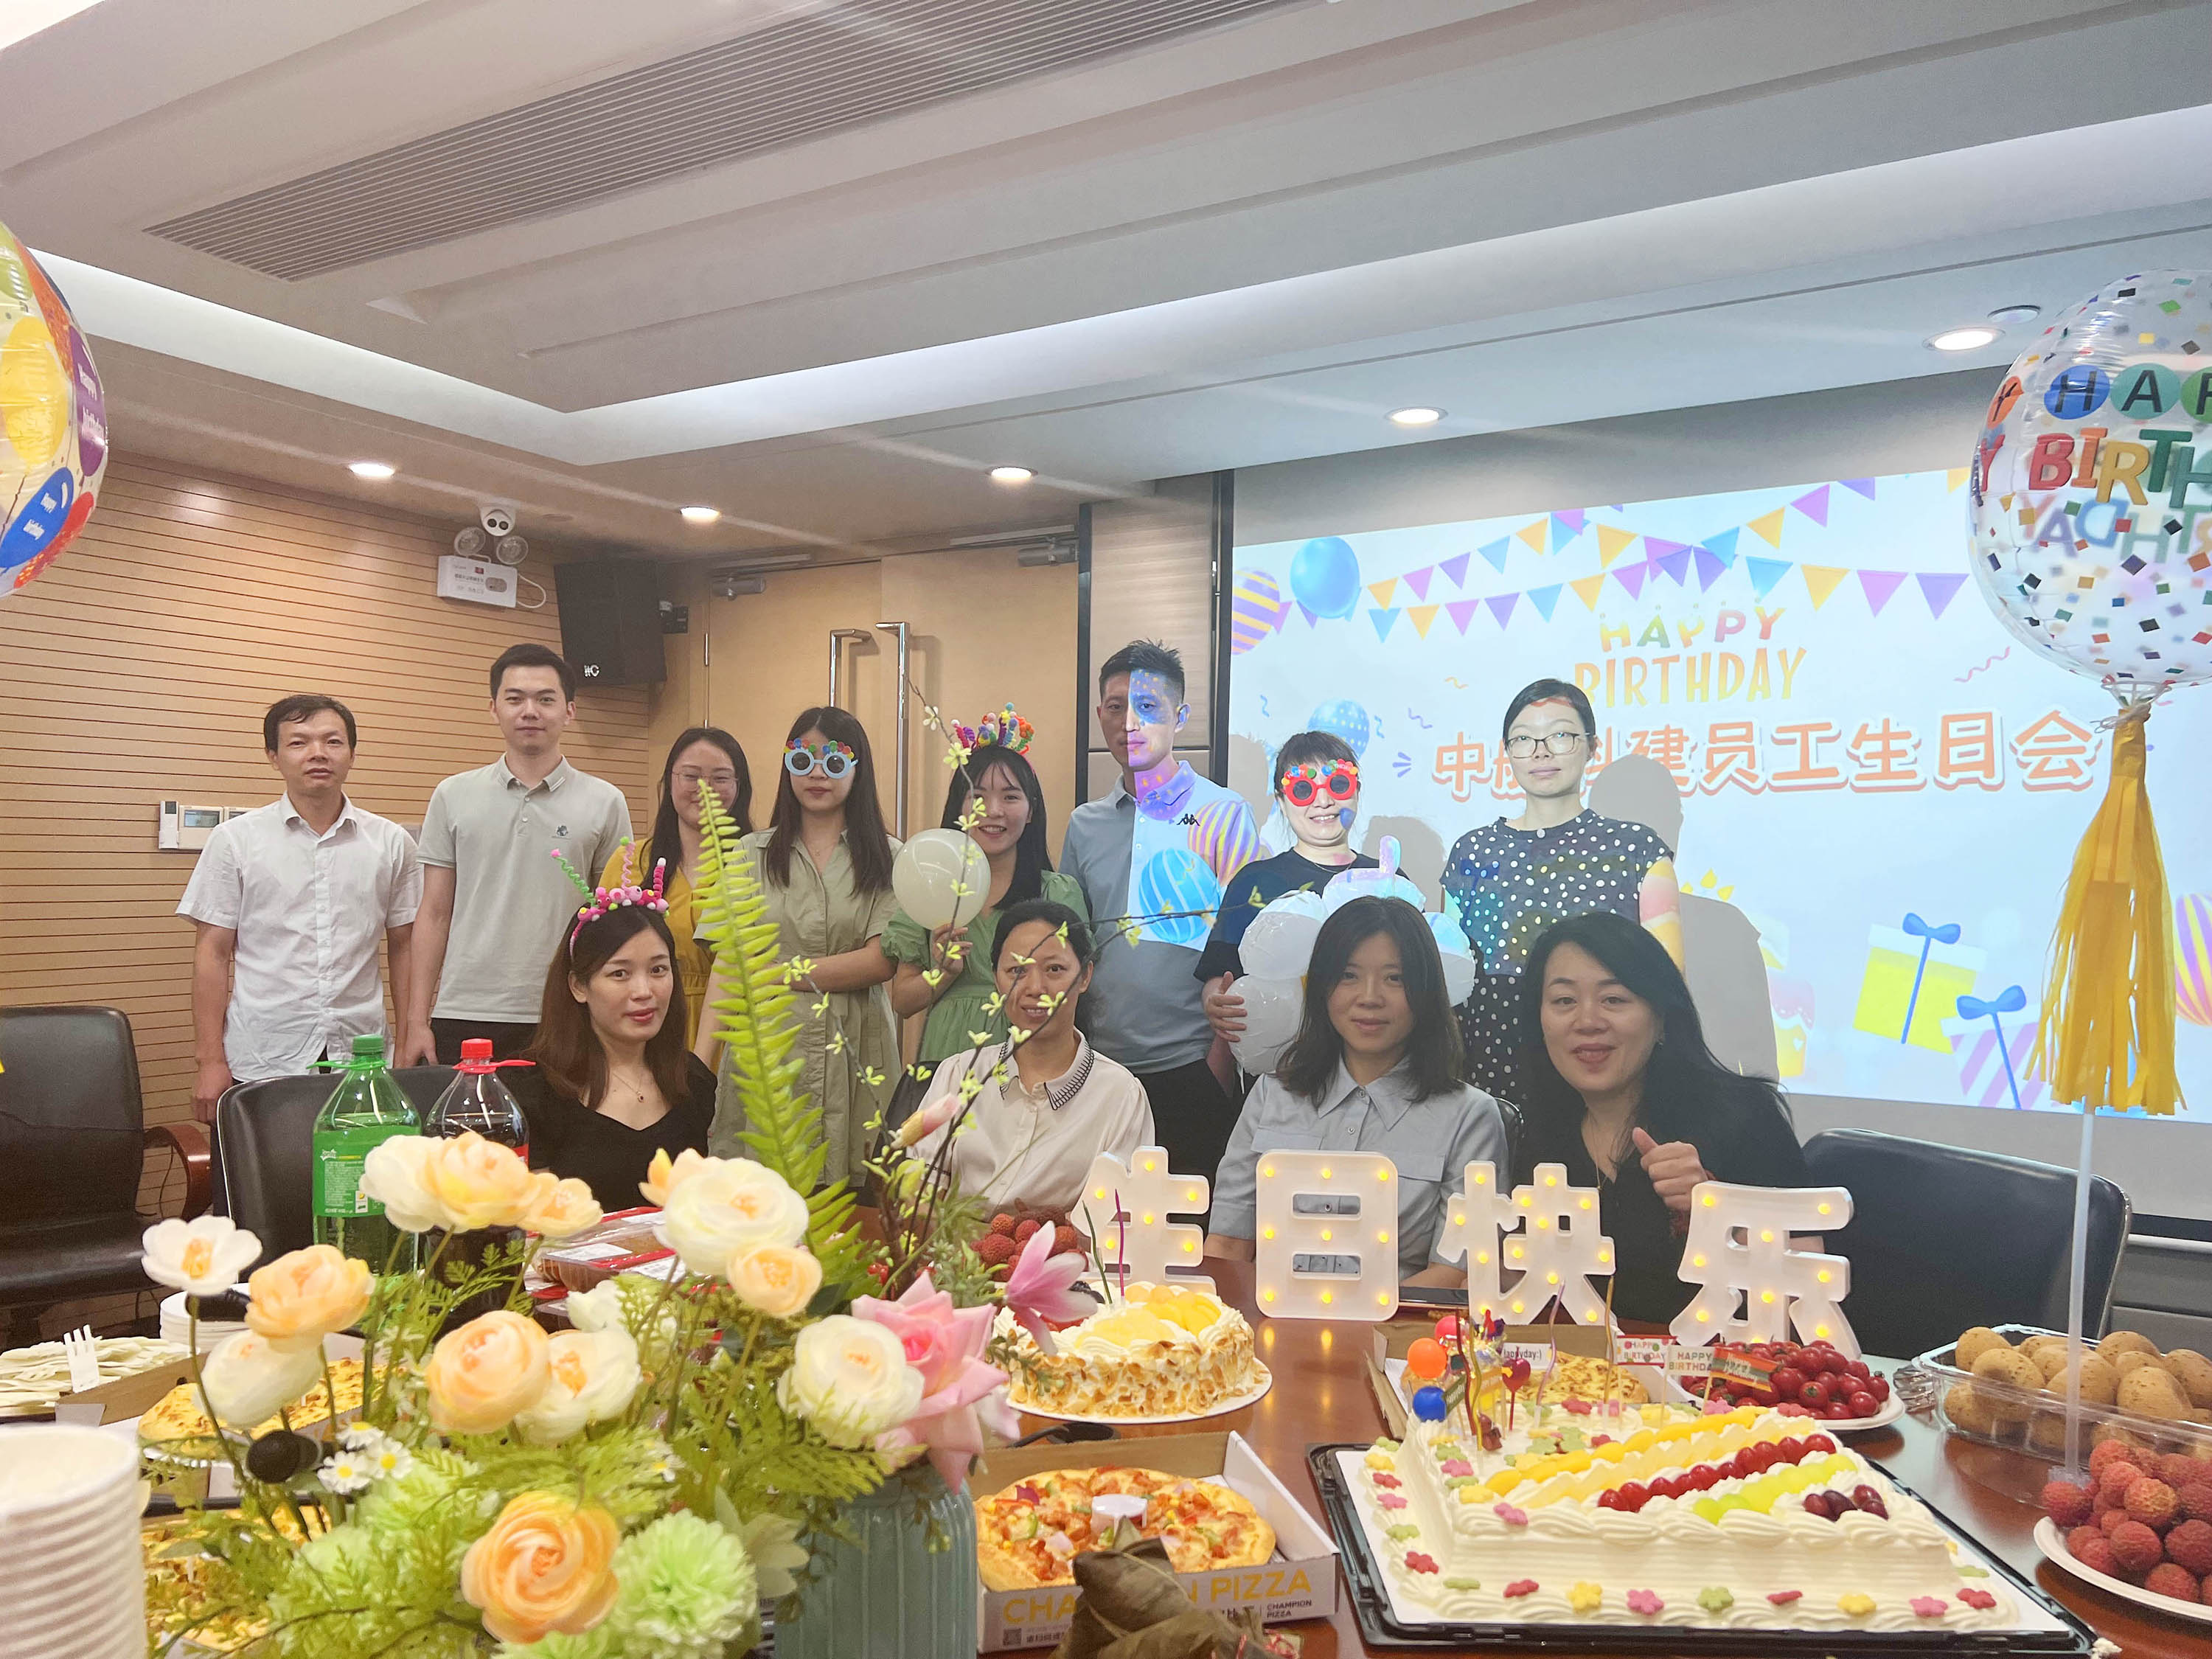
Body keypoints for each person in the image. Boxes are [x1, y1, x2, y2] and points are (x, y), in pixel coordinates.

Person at [180, 695, 422, 1202]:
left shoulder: (391, 842)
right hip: (261, 1054)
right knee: (259, 1204)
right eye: (299, 742)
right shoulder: (235, 841)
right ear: (274, 756)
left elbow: (405, 947)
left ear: (351, 753)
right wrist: (209, 1060)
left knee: (360, 1201)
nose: (318, 753)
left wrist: (406, 1039)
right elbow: (212, 954)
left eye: (333, 741)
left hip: (361, 1058)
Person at [1517, 910, 1811, 1324]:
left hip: (1717, 1365)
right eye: (1564, 1001)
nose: (1587, 1022)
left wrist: (1716, 1212)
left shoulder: (1743, 1116)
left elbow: (1806, 1295)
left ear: (1661, 1018)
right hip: (1579, 1365)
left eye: (1614, 999)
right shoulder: (1541, 1137)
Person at [1206, 897, 1506, 1281]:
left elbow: (1453, 1274)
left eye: (1395, 978)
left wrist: (1357, 1315)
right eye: (1349, 975)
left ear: (1426, 991)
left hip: (1404, 1320)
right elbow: (1226, 1246)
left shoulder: (1470, 1117)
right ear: (1321, 987)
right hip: (1266, 1315)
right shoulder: (1271, 1094)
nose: (1369, 997)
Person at [1062, 641, 1259, 1188]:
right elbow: (1071, 945)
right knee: (1104, 1221)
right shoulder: (1084, 825)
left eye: (1147, 706)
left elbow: (1241, 946)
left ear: (1180, 716)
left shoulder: (1224, 812)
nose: (1129, 722)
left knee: (1193, 1225)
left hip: (1192, 1063)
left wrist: (1219, 1064)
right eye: (1115, 706)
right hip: (1100, 1067)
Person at [1441, 678, 1679, 1103]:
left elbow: (1670, 989)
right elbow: (1447, 984)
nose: (1541, 752)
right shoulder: (1472, 852)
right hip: (1486, 1082)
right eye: (1523, 739)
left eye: (1560, 736)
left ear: (1592, 747)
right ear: (1507, 752)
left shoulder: (1636, 850)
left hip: (1602, 1083)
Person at [400, 644, 632, 1065]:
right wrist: (417, 1020)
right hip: (464, 1010)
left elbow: (612, 918)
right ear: (494, 708)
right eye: (515, 699)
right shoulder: (452, 795)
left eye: (545, 699)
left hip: (568, 1007)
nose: (530, 711)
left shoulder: (606, 801)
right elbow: (433, 913)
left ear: (569, 711)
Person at [694, 705, 898, 1184]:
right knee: (760, 1193)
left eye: (834, 761)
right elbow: (728, 965)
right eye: (802, 760)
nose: (817, 774)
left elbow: (880, 960)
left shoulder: (889, 857)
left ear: (858, 768)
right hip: (768, 1048)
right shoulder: (750, 854)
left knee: (857, 1199)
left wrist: (778, 973)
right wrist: (698, 1067)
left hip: (857, 1046)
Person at [883, 707, 1088, 1120]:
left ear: (1031, 810)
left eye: (1010, 797)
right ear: (959, 809)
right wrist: (943, 973)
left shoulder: (1057, 892)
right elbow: (903, 1001)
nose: (993, 811)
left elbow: (1076, 987)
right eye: (977, 796)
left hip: (1035, 1057)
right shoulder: (930, 887)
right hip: (946, 1060)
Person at [906, 900, 1151, 1214]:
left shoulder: (1120, 1095)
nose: (1036, 988)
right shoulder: (959, 1074)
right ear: (996, 978)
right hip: (956, 1244)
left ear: (1085, 976)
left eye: (1055, 969)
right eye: (1017, 971)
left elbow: (1117, 1221)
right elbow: (917, 1195)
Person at [512, 890, 713, 1212]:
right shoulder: (534, 1092)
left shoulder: (693, 1081)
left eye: (658, 970)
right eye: (620, 974)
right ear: (579, 986)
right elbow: (533, 1224)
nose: (644, 991)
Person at [1197, 729, 1379, 1051]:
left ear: (1357, 792)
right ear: (1281, 802)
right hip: (1281, 1062)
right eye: (1303, 789)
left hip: (1373, 1054)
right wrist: (1216, 1002)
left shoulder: (1387, 880)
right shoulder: (1255, 882)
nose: (1323, 801)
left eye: (1338, 785)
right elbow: (1219, 973)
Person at [607, 726, 753, 1018]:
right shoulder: (630, 862)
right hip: (647, 1017)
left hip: (738, 1024)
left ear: (739, 787)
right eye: (691, 776)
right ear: (669, 782)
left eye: (721, 778)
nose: (706, 788)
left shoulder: (757, 864)